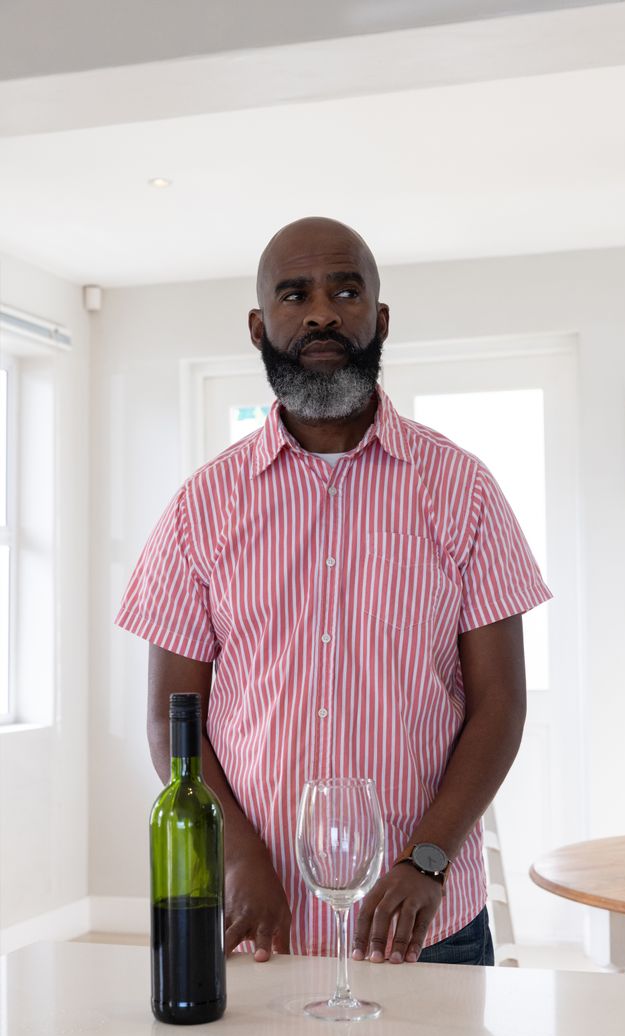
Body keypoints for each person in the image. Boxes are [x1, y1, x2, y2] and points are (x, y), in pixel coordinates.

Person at [116, 216, 551, 966]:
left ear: (379, 319)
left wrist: (428, 860)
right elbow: (168, 716)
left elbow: (500, 705)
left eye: (345, 291)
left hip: (425, 926)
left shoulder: (463, 491)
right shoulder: (202, 506)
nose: (321, 312)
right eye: (295, 294)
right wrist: (239, 856)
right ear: (259, 326)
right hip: (259, 926)